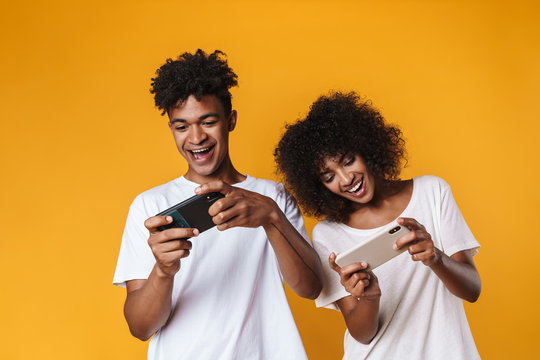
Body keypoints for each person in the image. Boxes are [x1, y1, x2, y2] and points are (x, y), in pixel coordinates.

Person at [113, 49, 323, 360]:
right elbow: (140, 327)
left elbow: (311, 288)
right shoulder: (150, 205)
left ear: (231, 120)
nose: (196, 137)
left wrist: (271, 218)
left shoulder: (272, 197)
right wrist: (164, 270)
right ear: (171, 128)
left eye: (208, 121)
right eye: (182, 126)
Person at [274, 91, 481, 359]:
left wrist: (435, 258)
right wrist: (369, 297)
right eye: (329, 176)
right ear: (318, 185)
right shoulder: (328, 235)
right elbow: (363, 334)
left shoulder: (432, 192)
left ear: (367, 148)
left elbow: (472, 290)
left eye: (348, 161)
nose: (346, 179)